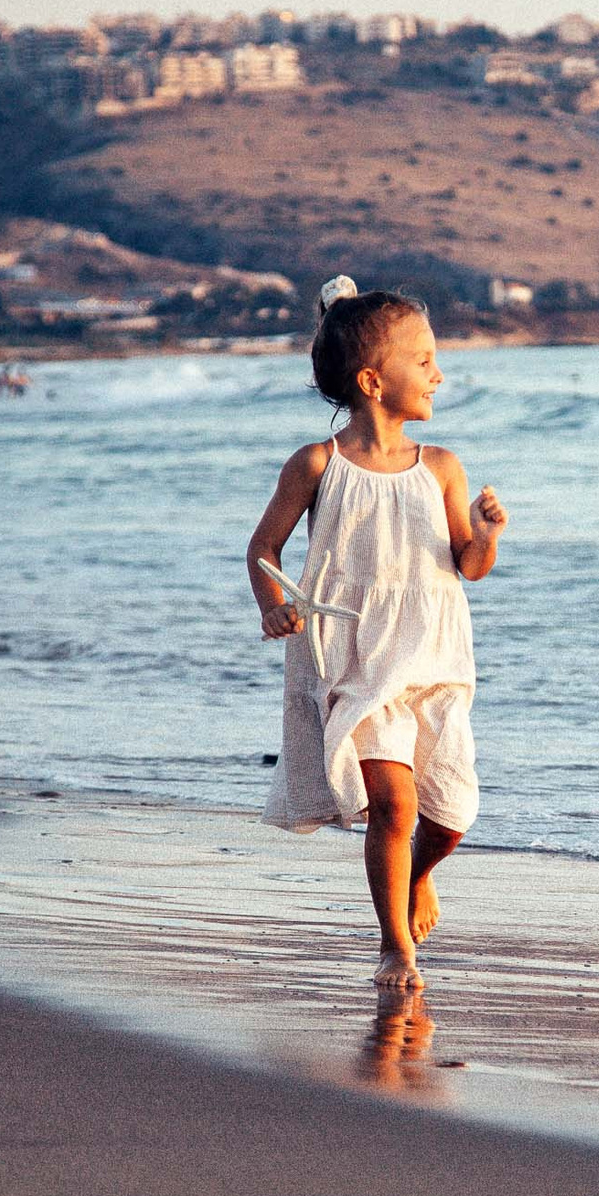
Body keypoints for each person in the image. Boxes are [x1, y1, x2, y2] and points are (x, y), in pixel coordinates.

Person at [247, 277, 506, 992]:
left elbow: (469, 567)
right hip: (354, 661)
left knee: (449, 815)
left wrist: (485, 536)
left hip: (432, 662)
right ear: (373, 381)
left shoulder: (442, 468)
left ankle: (419, 876)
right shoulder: (317, 466)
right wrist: (272, 604)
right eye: (423, 361)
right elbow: (263, 551)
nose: (439, 373)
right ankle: (395, 947)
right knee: (394, 805)